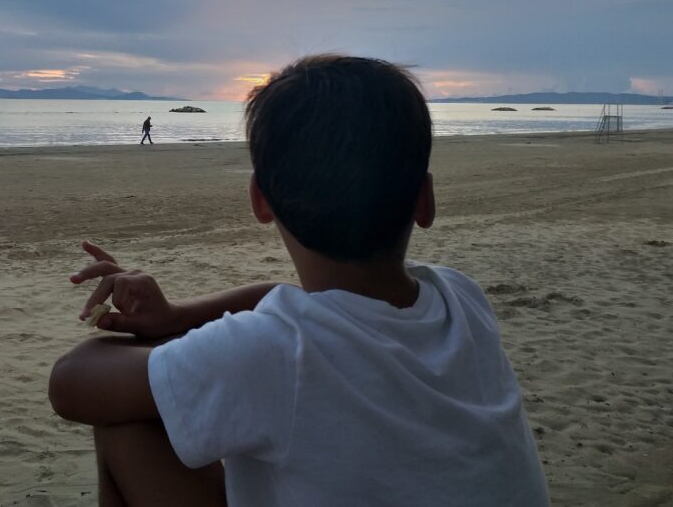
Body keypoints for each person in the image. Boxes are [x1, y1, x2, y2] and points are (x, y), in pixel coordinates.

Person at [49, 55, 549, 507]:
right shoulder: (461, 297)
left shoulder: (279, 349)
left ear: (259, 201)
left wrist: (162, 329)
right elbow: (308, 303)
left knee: (126, 419)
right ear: (425, 201)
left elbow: (71, 381)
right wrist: (177, 317)